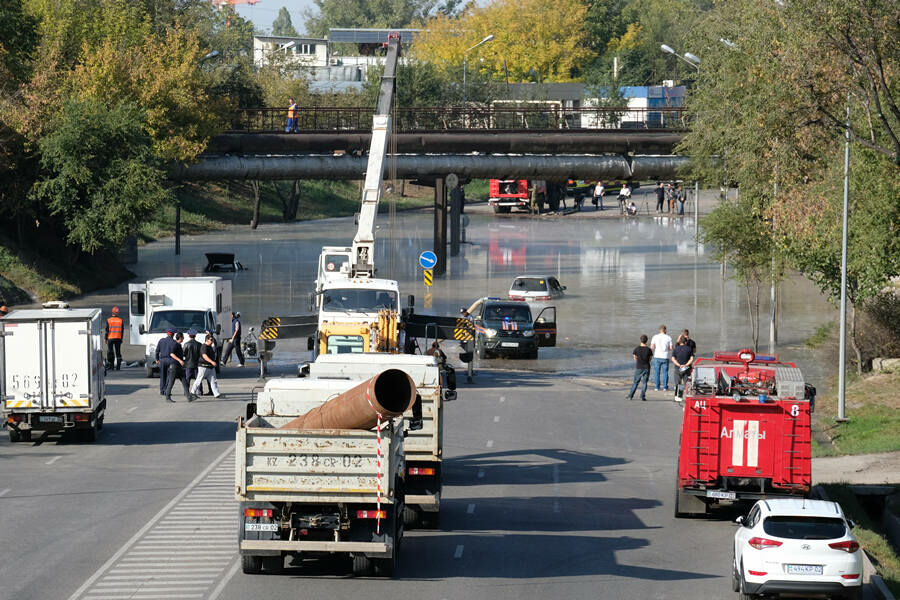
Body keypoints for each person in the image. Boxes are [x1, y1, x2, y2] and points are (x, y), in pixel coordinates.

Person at [165, 332, 193, 403]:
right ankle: (167, 397)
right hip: (174, 366)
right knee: (171, 382)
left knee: (184, 381)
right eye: (183, 337)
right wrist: (180, 360)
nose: (183, 339)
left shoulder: (179, 345)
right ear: (180, 338)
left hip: (179, 367)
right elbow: (171, 354)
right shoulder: (175, 344)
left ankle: (189, 397)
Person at [190, 334, 221, 398]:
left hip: (210, 367)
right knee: (199, 380)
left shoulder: (210, 346)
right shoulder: (204, 346)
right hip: (203, 366)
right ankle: (192, 392)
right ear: (207, 340)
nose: (212, 341)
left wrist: (213, 347)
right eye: (211, 340)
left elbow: (214, 353)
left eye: (213, 340)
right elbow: (204, 356)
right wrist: (212, 362)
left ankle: (216, 393)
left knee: (213, 381)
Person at [626, 335, 653, 401]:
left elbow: (635, 357)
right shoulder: (649, 349)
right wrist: (647, 361)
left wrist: (638, 360)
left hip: (639, 367)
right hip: (646, 367)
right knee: (644, 383)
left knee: (636, 382)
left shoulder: (637, 349)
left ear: (640, 340)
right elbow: (650, 358)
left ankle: (630, 396)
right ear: (647, 341)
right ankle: (642, 396)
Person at [649, 324, 673, 391]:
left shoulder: (655, 337)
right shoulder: (668, 337)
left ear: (659, 330)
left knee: (657, 372)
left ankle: (657, 387)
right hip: (665, 357)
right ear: (665, 330)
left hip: (657, 356)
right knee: (665, 372)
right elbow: (671, 348)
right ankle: (665, 387)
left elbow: (652, 347)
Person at [155, 329, 177, 395]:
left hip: (162, 360)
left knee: (162, 376)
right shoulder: (174, 342)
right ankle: (166, 390)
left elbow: (157, 351)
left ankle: (162, 390)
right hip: (171, 360)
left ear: (167, 334)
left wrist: (157, 359)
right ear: (173, 334)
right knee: (169, 376)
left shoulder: (161, 341)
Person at [183, 329, 203, 394]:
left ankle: (186, 391)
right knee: (198, 378)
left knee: (187, 378)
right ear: (195, 336)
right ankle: (200, 391)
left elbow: (183, 353)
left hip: (188, 364)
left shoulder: (186, 344)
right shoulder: (199, 344)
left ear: (189, 336)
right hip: (197, 364)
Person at [105, 306, 124, 370]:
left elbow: (107, 330)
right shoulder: (120, 321)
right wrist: (121, 339)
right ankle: (118, 367)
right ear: (117, 313)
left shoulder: (109, 320)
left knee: (110, 352)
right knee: (118, 352)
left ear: (112, 312)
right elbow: (122, 331)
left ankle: (111, 366)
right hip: (118, 338)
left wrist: (105, 338)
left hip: (110, 338)